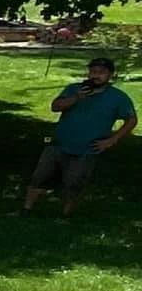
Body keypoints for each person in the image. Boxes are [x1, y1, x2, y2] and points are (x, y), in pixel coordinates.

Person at [23, 57, 136, 216]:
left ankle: (65, 215)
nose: (96, 76)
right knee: (39, 177)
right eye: (93, 72)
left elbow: (131, 120)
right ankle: (26, 210)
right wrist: (76, 98)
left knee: (74, 183)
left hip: (87, 148)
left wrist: (111, 140)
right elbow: (55, 107)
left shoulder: (118, 97)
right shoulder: (74, 89)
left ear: (110, 75)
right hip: (59, 143)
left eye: (101, 73)